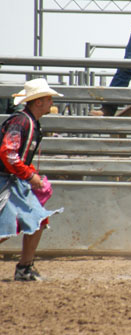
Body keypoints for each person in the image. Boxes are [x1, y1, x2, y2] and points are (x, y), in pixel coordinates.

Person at [0, 79, 64, 281]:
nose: (51, 102)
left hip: (13, 180)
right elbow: (9, 153)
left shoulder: (29, 122)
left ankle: (25, 267)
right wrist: (28, 175)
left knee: (37, 220)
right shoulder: (22, 122)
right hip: (6, 181)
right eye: (48, 99)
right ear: (38, 102)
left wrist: (31, 174)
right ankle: (24, 268)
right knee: (7, 227)